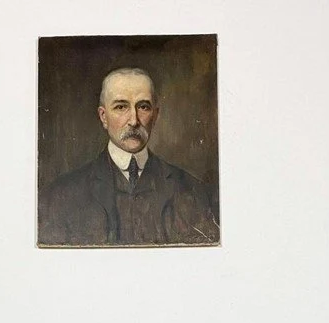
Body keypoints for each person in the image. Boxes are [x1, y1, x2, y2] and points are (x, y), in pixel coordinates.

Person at [38, 67, 219, 247]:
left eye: (143, 107)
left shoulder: (195, 193)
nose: (134, 120)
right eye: (121, 107)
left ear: (155, 115)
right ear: (103, 116)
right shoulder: (59, 197)